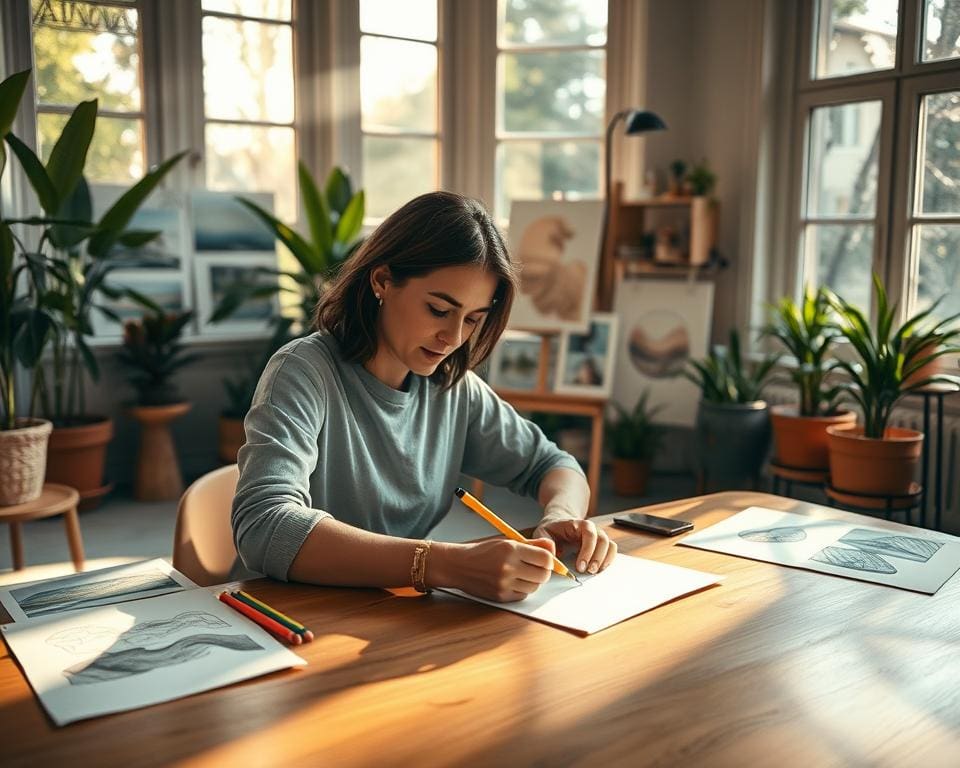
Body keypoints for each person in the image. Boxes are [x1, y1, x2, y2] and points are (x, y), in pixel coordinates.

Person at [232, 191, 616, 603]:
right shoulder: (304, 371)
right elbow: (264, 526)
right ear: (382, 281)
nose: (453, 337)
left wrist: (561, 515)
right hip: (289, 611)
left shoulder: (452, 388)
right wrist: (441, 564)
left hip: (391, 609)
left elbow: (554, 466)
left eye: (473, 319)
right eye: (438, 310)